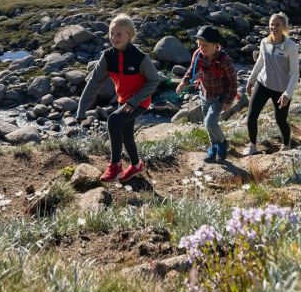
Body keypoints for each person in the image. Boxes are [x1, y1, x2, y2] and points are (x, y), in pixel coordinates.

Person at [76, 14, 161, 182]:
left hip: (140, 101)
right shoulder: (108, 57)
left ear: (129, 35)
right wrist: (81, 109)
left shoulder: (140, 58)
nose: (114, 38)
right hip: (123, 101)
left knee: (113, 120)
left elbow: (155, 80)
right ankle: (136, 166)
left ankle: (115, 165)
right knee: (127, 136)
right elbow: (94, 83)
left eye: (119, 34)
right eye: (111, 33)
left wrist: (135, 100)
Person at [176, 25, 237, 163]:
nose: (201, 48)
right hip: (204, 94)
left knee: (210, 122)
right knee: (207, 124)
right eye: (199, 44)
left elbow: (233, 82)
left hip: (219, 97)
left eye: (205, 45)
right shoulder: (198, 55)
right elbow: (192, 70)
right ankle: (213, 147)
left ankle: (222, 144)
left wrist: (228, 101)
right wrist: (183, 82)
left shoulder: (224, 60)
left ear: (216, 45)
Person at [244, 13, 299, 154]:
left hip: (281, 90)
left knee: (280, 120)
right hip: (262, 84)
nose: (273, 27)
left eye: (277, 25)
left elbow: (295, 73)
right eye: (271, 24)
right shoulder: (264, 42)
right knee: (251, 116)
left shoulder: (291, 46)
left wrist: (287, 94)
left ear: (284, 27)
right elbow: (260, 62)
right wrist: (251, 80)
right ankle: (252, 146)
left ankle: (286, 145)